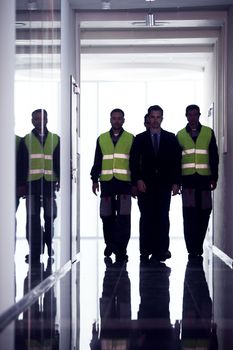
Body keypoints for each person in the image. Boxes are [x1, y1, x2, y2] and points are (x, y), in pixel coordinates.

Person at [129, 105, 181, 263]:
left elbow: (176, 162)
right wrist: (137, 180)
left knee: (163, 217)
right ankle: (145, 250)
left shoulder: (171, 138)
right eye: (152, 117)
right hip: (145, 184)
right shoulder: (139, 139)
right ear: (148, 118)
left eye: (158, 117)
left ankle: (162, 249)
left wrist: (176, 182)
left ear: (162, 119)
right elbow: (133, 163)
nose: (155, 120)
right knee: (146, 217)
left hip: (164, 184)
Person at [90, 108, 134, 263]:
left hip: (124, 184)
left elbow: (134, 163)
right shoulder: (101, 138)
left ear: (123, 120)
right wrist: (94, 179)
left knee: (124, 218)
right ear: (110, 120)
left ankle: (121, 249)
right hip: (107, 183)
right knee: (106, 217)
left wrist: (134, 183)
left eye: (119, 118)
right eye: (114, 118)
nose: (116, 121)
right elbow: (97, 161)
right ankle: (110, 244)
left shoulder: (130, 138)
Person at [177, 104, 219, 260]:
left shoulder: (208, 133)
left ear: (199, 115)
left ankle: (198, 244)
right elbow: (176, 160)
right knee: (189, 214)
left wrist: (214, 177)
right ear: (186, 116)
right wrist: (177, 181)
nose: (193, 117)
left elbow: (214, 156)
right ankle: (191, 248)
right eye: (190, 114)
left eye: (195, 114)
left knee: (204, 212)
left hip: (204, 180)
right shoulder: (180, 135)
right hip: (187, 181)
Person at [19, 109, 60, 262]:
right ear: (31, 120)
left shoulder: (55, 139)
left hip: (49, 184)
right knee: (33, 219)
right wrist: (21, 185)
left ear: (47, 119)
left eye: (41, 118)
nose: (39, 121)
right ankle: (35, 252)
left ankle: (49, 246)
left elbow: (59, 162)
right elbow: (21, 164)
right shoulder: (26, 140)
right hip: (32, 185)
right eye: (35, 118)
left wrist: (61, 180)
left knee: (50, 217)